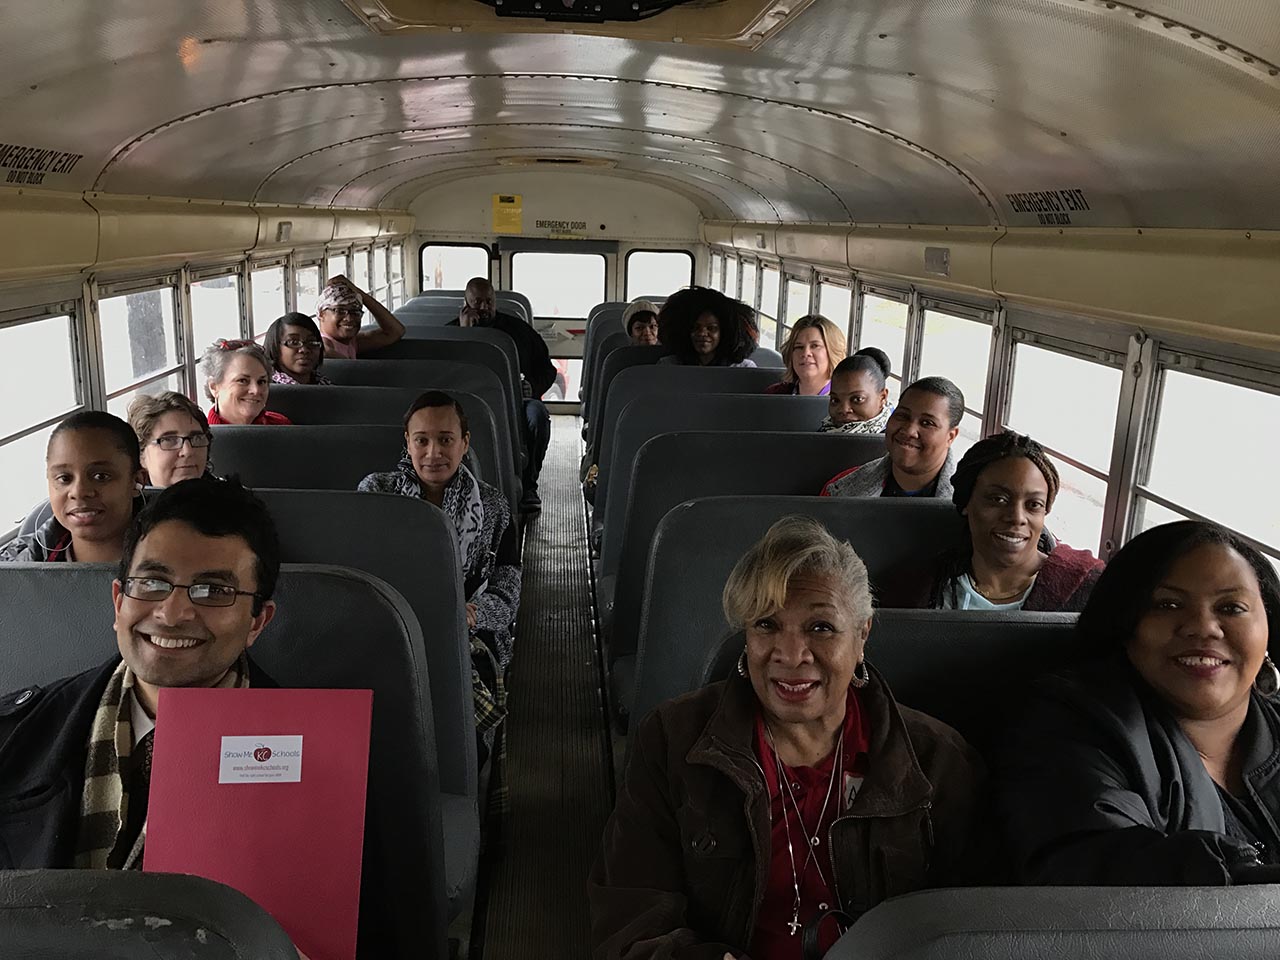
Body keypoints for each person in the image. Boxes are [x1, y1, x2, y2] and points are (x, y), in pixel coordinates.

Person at [590, 516, 984, 960]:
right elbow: (633, 914)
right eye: (766, 625)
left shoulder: (938, 762)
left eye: (821, 627)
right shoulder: (672, 740)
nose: (791, 655)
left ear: (862, 635)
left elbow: (973, 927)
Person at [0, 477, 279, 870]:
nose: (171, 613)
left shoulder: (329, 760)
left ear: (257, 622)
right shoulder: (14, 739)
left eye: (214, 591)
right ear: (119, 602)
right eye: (151, 583)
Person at [996, 520, 1280, 885]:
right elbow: (1092, 865)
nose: (1203, 627)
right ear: (1125, 624)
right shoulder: (1065, 727)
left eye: (1231, 607)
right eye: (1168, 604)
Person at [357, 391, 521, 758]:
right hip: (388, 624)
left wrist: (473, 614)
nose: (433, 453)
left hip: (464, 632)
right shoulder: (375, 493)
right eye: (422, 440)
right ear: (407, 443)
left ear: (465, 443)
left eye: (446, 440)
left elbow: (507, 583)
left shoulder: (492, 507)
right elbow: (361, 570)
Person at [878, 431, 1104, 610]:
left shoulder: (1086, 588)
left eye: (1033, 505)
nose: (1016, 517)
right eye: (998, 499)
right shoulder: (917, 589)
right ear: (967, 502)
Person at [453, 276, 555, 510]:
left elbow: (547, 370)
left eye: (489, 302)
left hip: (518, 403)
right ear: (466, 303)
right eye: (477, 302)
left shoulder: (519, 331)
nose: (484, 308)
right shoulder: (450, 333)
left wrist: (533, 386)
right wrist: (466, 332)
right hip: (463, 404)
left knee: (537, 415)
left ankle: (529, 484)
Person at [0, 412, 144, 563]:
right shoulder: (17, 570)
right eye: (64, 478)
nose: (79, 492)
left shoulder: (169, 555)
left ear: (136, 481)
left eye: (100, 476)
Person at [820, 376, 963, 498]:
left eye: (927, 423)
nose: (909, 431)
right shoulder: (841, 490)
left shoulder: (970, 504)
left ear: (951, 436)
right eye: (902, 416)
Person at [127, 392, 214, 488]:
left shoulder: (229, 498)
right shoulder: (122, 502)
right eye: (169, 440)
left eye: (196, 438)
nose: (188, 451)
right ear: (140, 455)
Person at [656, 286, 757, 368]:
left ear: (724, 333)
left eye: (711, 328)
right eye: (695, 328)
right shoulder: (668, 366)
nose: (702, 333)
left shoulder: (743, 369)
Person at [200, 339, 292, 426]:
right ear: (214, 387)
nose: (256, 390)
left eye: (261, 381)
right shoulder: (198, 438)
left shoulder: (282, 426)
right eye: (242, 381)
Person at [317, 275, 405, 359]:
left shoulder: (352, 342)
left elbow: (395, 331)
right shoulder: (323, 348)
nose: (349, 318)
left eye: (355, 312)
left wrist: (358, 292)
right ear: (321, 314)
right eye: (340, 311)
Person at [765, 315, 847, 396]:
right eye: (799, 347)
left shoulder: (845, 400)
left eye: (815, 346)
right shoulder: (774, 394)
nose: (805, 353)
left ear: (832, 352)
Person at [819, 348, 893, 434]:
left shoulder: (894, 443)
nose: (844, 409)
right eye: (835, 400)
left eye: (857, 399)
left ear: (882, 398)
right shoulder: (820, 435)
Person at [263, 313, 332, 385]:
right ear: (275, 347)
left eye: (312, 342)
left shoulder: (328, 387)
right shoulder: (265, 390)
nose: (304, 350)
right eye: (294, 342)